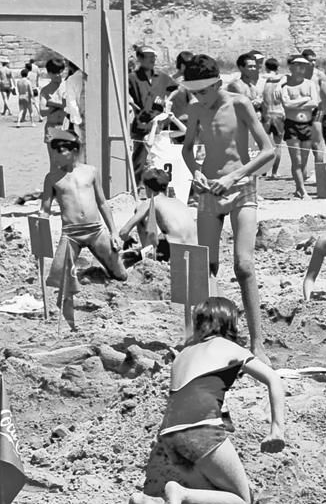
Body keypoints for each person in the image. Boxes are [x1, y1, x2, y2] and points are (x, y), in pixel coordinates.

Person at [126, 297, 286, 504]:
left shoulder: (183, 354)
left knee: (214, 499)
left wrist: (225, 428)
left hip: (170, 434)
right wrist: (277, 429)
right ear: (230, 323)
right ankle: (180, 492)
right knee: (241, 500)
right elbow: (273, 379)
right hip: (201, 429)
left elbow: (199, 392)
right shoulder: (229, 347)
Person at [180, 55, 275, 359]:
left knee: (243, 265)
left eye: (205, 91)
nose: (199, 98)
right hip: (209, 190)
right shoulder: (195, 109)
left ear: (218, 83)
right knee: (207, 266)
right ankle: (214, 336)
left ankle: (257, 341)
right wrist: (194, 170)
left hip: (241, 187)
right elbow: (186, 149)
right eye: (195, 92)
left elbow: (268, 151)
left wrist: (236, 174)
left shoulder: (239, 103)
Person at [42, 131, 126, 326]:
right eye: (53, 152)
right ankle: (69, 320)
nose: (54, 157)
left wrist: (113, 232)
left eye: (58, 152)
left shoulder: (90, 171)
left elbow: (103, 202)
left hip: (96, 230)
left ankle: (117, 290)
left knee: (119, 273)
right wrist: (39, 231)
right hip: (71, 234)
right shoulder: (52, 178)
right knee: (61, 277)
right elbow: (44, 210)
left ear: (73, 151)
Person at [118, 168, 197, 260]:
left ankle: (146, 254)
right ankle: (147, 251)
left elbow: (123, 232)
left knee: (127, 257)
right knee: (163, 234)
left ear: (147, 188)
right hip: (196, 250)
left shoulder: (150, 202)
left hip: (175, 252)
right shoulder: (178, 202)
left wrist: (127, 239)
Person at [129, 46, 177, 183]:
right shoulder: (132, 78)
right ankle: (137, 187)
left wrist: (168, 99)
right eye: (148, 57)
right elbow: (122, 92)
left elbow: (176, 88)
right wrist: (131, 102)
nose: (152, 60)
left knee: (159, 157)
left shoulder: (161, 77)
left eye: (153, 57)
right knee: (140, 159)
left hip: (159, 123)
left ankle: (159, 186)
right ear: (140, 58)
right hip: (141, 123)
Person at [281, 56, 320, 199]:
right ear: (291, 67)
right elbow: (286, 105)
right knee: (296, 159)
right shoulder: (286, 86)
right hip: (292, 124)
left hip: (307, 124)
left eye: (303, 66)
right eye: (298, 66)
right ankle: (302, 190)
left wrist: (296, 103)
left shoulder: (310, 84)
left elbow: (314, 102)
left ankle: (299, 188)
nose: (301, 69)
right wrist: (305, 99)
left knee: (304, 159)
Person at [259, 58, 285, 178]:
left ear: (266, 67)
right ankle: (274, 172)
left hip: (266, 114)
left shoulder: (262, 80)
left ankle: (263, 170)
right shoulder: (283, 79)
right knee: (278, 146)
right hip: (279, 113)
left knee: (263, 145)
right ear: (277, 67)